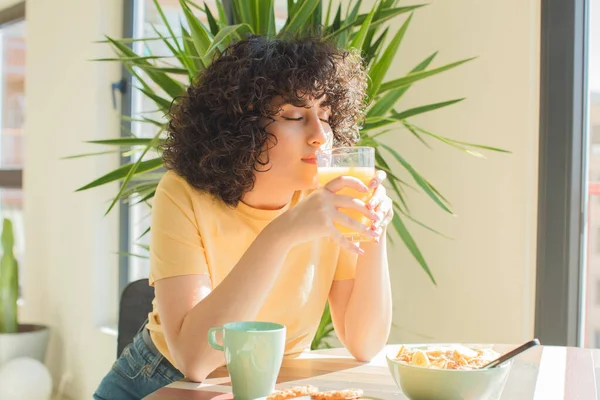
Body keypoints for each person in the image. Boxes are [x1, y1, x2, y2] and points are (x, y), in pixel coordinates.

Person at [93, 34, 393, 400]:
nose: (320, 135)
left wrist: (373, 231)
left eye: (326, 116)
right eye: (295, 116)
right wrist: (283, 233)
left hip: (273, 382)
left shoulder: (328, 196)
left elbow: (365, 344)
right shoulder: (183, 193)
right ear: (243, 127)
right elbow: (195, 360)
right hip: (159, 383)